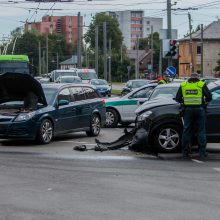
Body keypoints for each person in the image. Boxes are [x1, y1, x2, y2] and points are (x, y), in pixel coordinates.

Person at [175, 72, 212, 159]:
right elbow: (209, 97)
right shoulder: (201, 84)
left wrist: (184, 102)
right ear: (198, 78)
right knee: (201, 131)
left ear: (190, 78)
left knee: (186, 131)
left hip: (187, 110)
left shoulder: (184, 85)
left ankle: (185, 152)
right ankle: (202, 153)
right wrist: (204, 101)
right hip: (200, 110)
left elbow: (178, 98)